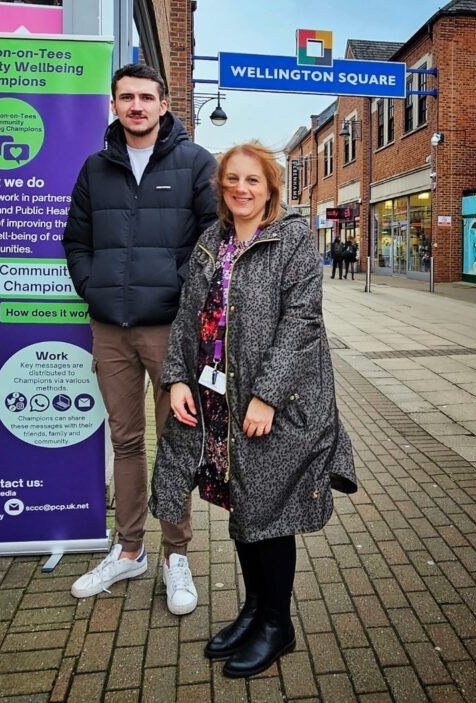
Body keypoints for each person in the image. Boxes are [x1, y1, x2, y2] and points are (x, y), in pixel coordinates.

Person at [150, 141, 358, 679]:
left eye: (253, 181)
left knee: (270, 510)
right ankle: (253, 610)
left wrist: (266, 394)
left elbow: (302, 323)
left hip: (274, 403)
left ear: (271, 187)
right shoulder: (211, 240)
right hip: (218, 399)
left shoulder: (291, 238)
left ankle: (277, 623)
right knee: (244, 506)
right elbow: (185, 316)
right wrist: (176, 379)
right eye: (232, 180)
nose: (241, 189)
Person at [61, 63, 218, 615]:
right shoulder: (95, 167)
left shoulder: (196, 163)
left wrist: (180, 293)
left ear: (163, 104)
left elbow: (213, 239)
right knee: (125, 441)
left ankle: (177, 554)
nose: (136, 106)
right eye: (126, 97)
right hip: (109, 328)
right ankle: (130, 550)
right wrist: (92, 287)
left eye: (146, 97)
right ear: (114, 105)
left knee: (176, 440)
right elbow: (74, 239)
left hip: (171, 330)